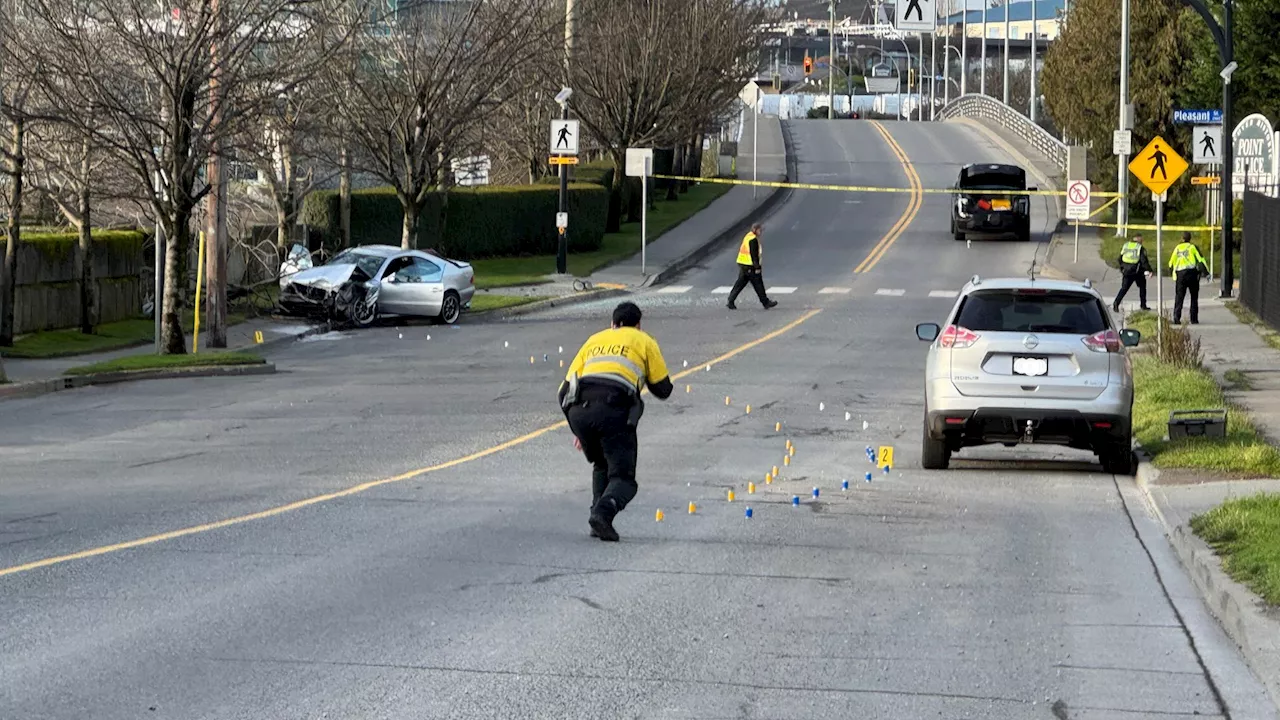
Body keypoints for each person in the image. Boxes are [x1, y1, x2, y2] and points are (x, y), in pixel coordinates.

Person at [558, 301, 673, 542]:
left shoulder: (594, 340)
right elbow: (663, 389)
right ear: (638, 325)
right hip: (613, 410)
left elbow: (563, 391)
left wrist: (578, 429)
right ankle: (603, 512)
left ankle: (595, 518)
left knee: (601, 463)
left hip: (579, 410)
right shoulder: (644, 341)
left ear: (612, 324)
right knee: (624, 479)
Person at [726, 223, 778, 310]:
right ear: (755, 230)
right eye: (759, 230)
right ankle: (765, 302)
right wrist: (757, 267)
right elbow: (754, 255)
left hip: (743, 264)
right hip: (750, 266)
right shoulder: (753, 240)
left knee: (740, 283)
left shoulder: (748, 236)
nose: (761, 232)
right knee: (758, 284)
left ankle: (730, 301)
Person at [1169, 231, 1208, 325]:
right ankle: (1194, 319)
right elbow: (1201, 260)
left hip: (1180, 275)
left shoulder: (1177, 248)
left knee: (1179, 297)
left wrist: (1173, 275)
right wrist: (1206, 273)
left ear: (1182, 239)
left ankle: (1176, 317)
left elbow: (1171, 263)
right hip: (1192, 274)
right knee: (1194, 297)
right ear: (1190, 239)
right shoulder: (1192, 247)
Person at [1112, 233, 1152, 312]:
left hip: (1126, 271)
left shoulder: (1126, 245)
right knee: (1142, 287)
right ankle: (1143, 305)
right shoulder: (1139, 248)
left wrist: (1122, 268)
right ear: (1139, 239)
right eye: (1141, 239)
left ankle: (1116, 303)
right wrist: (1149, 270)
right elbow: (1144, 261)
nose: (1142, 241)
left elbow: (1120, 258)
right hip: (1137, 271)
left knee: (1124, 288)